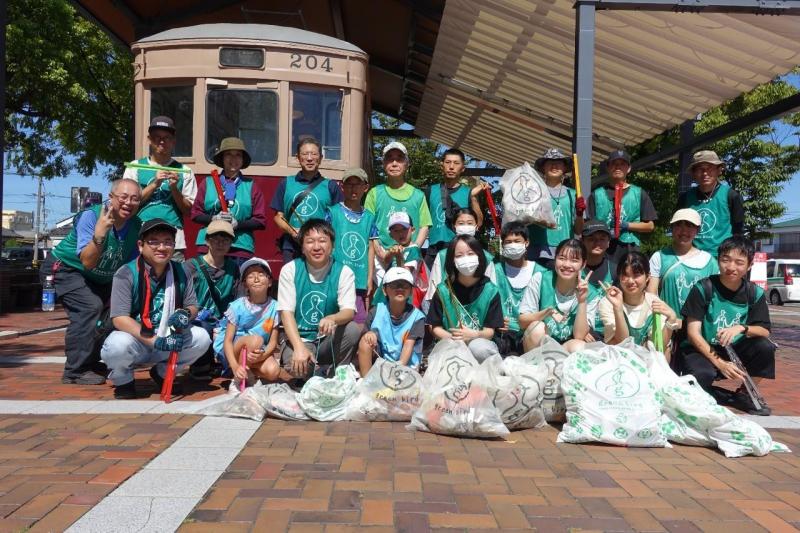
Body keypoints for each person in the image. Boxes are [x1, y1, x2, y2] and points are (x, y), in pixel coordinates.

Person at [40, 179, 143, 385]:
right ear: (111, 198)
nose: (128, 203)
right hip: (68, 269)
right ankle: (75, 370)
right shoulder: (91, 216)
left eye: (134, 199)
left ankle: (93, 361)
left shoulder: (136, 225)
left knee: (116, 310)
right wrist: (99, 235)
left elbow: (131, 265)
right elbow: (87, 262)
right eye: (123, 197)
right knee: (89, 307)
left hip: (101, 276)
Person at [101, 219, 211, 399]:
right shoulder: (126, 273)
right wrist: (155, 340)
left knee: (202, 338)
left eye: (168, 242)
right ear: (140, 245)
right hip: (137, 339)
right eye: (154, 241)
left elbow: (192, 305)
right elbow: (119, 318)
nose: (162, 247)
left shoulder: (181, 271)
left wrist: (186, 313)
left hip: (168, 335)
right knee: (116, 345)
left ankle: (162, 373)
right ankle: (123, 380)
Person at [679, 236, 774, 415]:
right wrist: (721, 364)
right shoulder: (703, 288)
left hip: (735, 348)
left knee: (765, 347)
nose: (731, 267)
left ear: (749, 265)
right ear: (718, 260)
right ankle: (711, 392)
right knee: (702, 376)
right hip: (702, 349)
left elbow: (764, 329)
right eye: (726, 260)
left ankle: (745, 395)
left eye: (739, 262)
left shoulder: (755, 293)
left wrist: (741, 328)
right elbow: (693, 333)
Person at [277, 219, 361, 380]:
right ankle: (314, 371)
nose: (316, 247)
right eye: (310, 242)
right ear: (302, 247)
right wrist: (299, 347)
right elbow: (286, 313)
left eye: (322, 241)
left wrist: (332, 318)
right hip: (299, 339)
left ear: (332, 246)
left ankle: (337, 373)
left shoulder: (344, 272)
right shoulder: (290, 270)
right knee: (298, 369)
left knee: (352, 329)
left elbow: (349, 311)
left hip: (327, 339)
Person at [122, 116, 196, 261]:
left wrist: (174, 189)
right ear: (149, 139)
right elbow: (127, 204)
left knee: (174, 282)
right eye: (157, 137)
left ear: (173, 142)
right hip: (140, 237)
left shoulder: (185, 171)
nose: (161, 141)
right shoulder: (135, 166)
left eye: (167, 137)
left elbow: (189, 210)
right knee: (139, 282)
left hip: (174, 241)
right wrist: (154, 184)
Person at [426, 235, 503, 362]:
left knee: (480, 348)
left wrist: (474, 335)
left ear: (479, 255)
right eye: (459, 255)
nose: (466, 259)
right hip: (451, 343)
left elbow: (490, 331)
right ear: (452, 260)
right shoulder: (443, 290)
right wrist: (454, 339)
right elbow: (435, 327)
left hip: (480, 342)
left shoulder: (491, 291)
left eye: (470, 253)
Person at [216, 258, 290, 388]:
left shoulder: (275, 307)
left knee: (273, 371)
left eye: (261, 274)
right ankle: (237, 378)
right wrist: (234, 366)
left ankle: (249, 373)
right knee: (256, 340)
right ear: (245, 284)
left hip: (257, 351)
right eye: (250, 276)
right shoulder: (237, 306)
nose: (256, 279)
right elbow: (227, 341)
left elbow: (273, 342)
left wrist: (263, 355)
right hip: (234, 350)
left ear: (270, 282)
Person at [191, 137, 267, 261]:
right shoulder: (207, 183)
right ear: (222, 158)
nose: (233, 159)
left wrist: (237, 224)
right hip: (208, 247)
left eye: (238, 155)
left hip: (240, 248)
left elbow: (260, 221)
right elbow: (195, 214)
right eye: (228, 155)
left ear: (242, 160)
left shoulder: (251, 186)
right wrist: (214, 219)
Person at [183, 219, 240, 380]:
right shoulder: (191, 266)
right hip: (197, 318)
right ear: (207, 240)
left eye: (225, 240)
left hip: (223, 318)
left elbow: (237, 299)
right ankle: (200, 366)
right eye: (215, 239)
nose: (220, 243)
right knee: (204, 328)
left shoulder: (233, 268)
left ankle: (227, 364)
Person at [272, 138, 345, 263]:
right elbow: (278, 217)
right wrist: (293, 231)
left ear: (320, 158)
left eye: (314, 154)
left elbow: (339, 220)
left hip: (320, 248)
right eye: (305, 154)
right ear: (298, 158)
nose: (310, 158)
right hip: (292, 247)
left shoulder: (331, 186)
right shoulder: (286, 183)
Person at [519, 239, 595, 353]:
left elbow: (579, 336)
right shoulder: (540, 279)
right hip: (539, 345)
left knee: (579, 346)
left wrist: (582, 301)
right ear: (555, 259)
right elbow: (522, 321)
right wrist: (545, 313)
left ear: (583, 264)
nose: (566, 265)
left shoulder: (591, 293)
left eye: (574, 260)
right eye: (562, 258)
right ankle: (533, 368)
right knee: (537, 328)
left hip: (566, 345)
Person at [364, 142, 432, 269]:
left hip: (409, 260)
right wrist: (382, 254)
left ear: (406, 164)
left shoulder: (418, 195)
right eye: (389, 159)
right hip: (379, 260)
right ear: (384, 164)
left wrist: (413, 251)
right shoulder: (374, 193)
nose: (394, 163)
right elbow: (369, 227)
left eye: (399, 159)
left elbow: (424, 226)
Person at [648, 209, 718, 329]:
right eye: (679, 225)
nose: (684, 230)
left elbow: (716, 299)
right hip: (668, 327)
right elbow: (651, 294)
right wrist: (670, 318)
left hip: (700, 329)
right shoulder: (659, 257)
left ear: (697, 230)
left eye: (690, 225)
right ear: (672, 228)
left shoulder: (709, 261)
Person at [326, 167, 377, 322]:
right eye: (349, 184)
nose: (353, 188)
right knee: (332, 319)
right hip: (334, 276)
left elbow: (370, 248)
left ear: (365, 187)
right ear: (342, 186)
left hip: (359, 280)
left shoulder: (370, 217)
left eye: (357, 184)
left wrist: (369, 277)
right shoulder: (331, 212)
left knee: (359, 322)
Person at [587, 150, 657, 263]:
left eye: (622, 164)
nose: (618, 167)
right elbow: (588, 226)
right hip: (602, 249)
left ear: (628, 168)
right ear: (608, 167)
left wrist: (627, 225)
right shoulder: (597, 194)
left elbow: (650, 226)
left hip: (630, 248)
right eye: (614, 163)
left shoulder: (638, 193)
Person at [598, 252, 680, 349]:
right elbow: (621, 343)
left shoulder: (654, 303)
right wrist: (618, 309)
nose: (631, 281)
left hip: (646, 359)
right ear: (619, 277)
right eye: (625, 275)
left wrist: (671, 319)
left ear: (648, 277)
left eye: (636, 275)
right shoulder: (608, 303)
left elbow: (658, 347)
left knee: (667, 352)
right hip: (618, 357)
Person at [357, 267, 426, 377]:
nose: (400, 289)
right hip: (380, 362)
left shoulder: (417, 317)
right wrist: (369, 334)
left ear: (411, 290)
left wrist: (396, 370)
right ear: (384, 290)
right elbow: (365, 334)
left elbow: (408, 346)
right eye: (394, 285)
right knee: (365, 340)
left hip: (406, 368)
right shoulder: (375, 311)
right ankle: (366, 381)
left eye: (405, 285)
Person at [424, 148, 487, 269]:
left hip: (459, 250)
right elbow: (422, 221)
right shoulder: (430, 191)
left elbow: (478, 223)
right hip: (433, 250)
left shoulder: (467, 192)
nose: (451, 167)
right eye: (448, 162)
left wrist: (473, 197)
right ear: (442, 165)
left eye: (456, 163)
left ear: (462, 168)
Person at [492, 221, 547, 355]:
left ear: (526, 243)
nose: (513, 245)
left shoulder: (541, 273)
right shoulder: (495, 270)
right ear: (503, 244)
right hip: (502, 335)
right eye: (508, 242)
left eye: (517, 241)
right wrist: (495, 320)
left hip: (529, 334)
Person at [677, 150, 745, 256]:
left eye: (710, 168)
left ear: (719, 170)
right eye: (700, 169)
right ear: (693, 173)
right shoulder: (685, 198)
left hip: (722, 257)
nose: (705, 173)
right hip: (692, 256)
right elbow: (678, 229)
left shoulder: (731, 196)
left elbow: (738, 232)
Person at [528, 148, 585, 265]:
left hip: (564, 253)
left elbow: (579, 230)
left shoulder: (573, 194)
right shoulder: (533, 192)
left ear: (564, 168)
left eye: (559, 162)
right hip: (536, 251)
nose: (554, 165)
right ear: (543, 168)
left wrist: (580, 214)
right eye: (549, 162)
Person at [426, 208, 495, 303]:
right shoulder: (442, 256)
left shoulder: (486, 257)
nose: (465, 226)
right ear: (454, 227)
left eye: (470, 223)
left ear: (476, 226)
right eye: (461, 223)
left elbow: (492, 292)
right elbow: (433, 291)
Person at [373, 211, 423, 306]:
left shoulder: (414, 250)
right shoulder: (395, 247)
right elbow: (386, 260)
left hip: (403, 294)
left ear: (412, 230)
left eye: (404, 229)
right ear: (391, 235)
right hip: (388, 292)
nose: (401, 233)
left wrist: (398, 256)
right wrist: (391, 253)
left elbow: (405, 273)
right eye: (396, 231)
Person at [581, 219, 617, 342]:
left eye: (602, 239)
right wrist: (581, 330)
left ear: (608, 242)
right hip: (581, 334)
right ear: (582, 241)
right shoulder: (574, 270)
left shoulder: (616, 270)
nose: (597, 243)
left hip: (610, 334)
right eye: (591, 238)